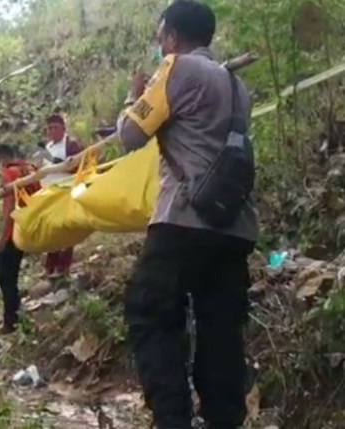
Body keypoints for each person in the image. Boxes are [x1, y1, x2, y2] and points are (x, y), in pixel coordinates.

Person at [116, 2, 258, 428]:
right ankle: (223, 419)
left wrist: (133, 95)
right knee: (221, 331)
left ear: (174, 37)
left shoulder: (174, 68)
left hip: (182, 219)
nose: (160, 44)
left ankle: (173, 419)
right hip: (235, 226)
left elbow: (130, 135)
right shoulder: (237, 86)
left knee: (150, 313)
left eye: (162, 36)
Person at [0, 143, 41, 334]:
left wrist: (3, 236)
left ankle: (11, 321)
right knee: (1, 267)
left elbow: (10, 206)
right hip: (29, 224)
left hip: (15, 229)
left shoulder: (9, 173)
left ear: (1, 157)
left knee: (6, 275)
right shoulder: (30, 168)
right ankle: (15, 309)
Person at [39, 114, 83, 279]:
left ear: (63, 129)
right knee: (51, 231)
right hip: (48, 195)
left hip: (66, 193)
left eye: (55, 128)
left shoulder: (70, 145)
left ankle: (63, 267)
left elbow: (77, 166)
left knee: (65, 229)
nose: (51, 131)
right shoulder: (47, 147)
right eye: (49, 128)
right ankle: (50, 266)